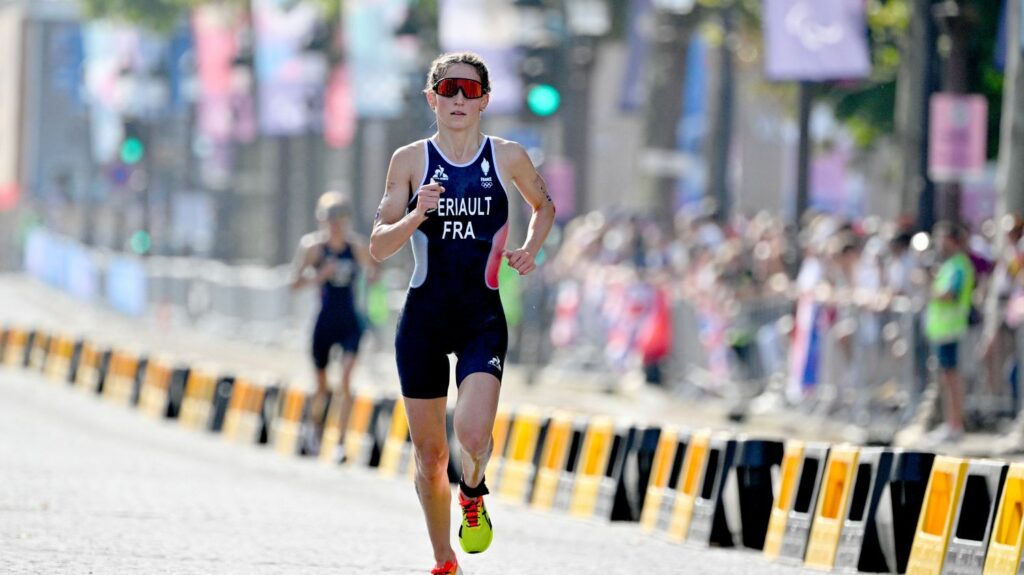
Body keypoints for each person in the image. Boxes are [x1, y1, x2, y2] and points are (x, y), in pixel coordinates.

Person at [368, 52, 555, 575]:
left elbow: (545, 206)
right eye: (447, 90)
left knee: (472, 436)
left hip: (481, 317)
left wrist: (530, 247)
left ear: (485, 101)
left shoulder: (508, 156)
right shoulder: (409, 161)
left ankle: (473, 491)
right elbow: (379, 246)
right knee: (430, 457)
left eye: (468, 91)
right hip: (424, 320)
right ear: (431, 98)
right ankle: (444, 559)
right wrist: (416, 213)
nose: (457, 99)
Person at [291, 190, 377, 460]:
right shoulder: (313, 247)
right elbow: (294, 283)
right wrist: (320, 275)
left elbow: (374, 271)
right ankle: (315, 432)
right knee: (321, 384)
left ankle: (340, 442)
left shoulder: (357, 247)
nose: (335, 225)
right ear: (322, 220)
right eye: (330, 220)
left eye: (340, 219)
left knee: (347, 381)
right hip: (325, 320)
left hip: (350, 319)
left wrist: (372, 275)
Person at [922, 221, 976, 445]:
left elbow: (949, 295)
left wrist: (930, 287)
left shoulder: (958, 265)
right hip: (944, 331)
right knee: (946, 378)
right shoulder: (951, 265)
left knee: (951, 379)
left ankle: (955, 424)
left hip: (951, 330)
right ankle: (951, 423)